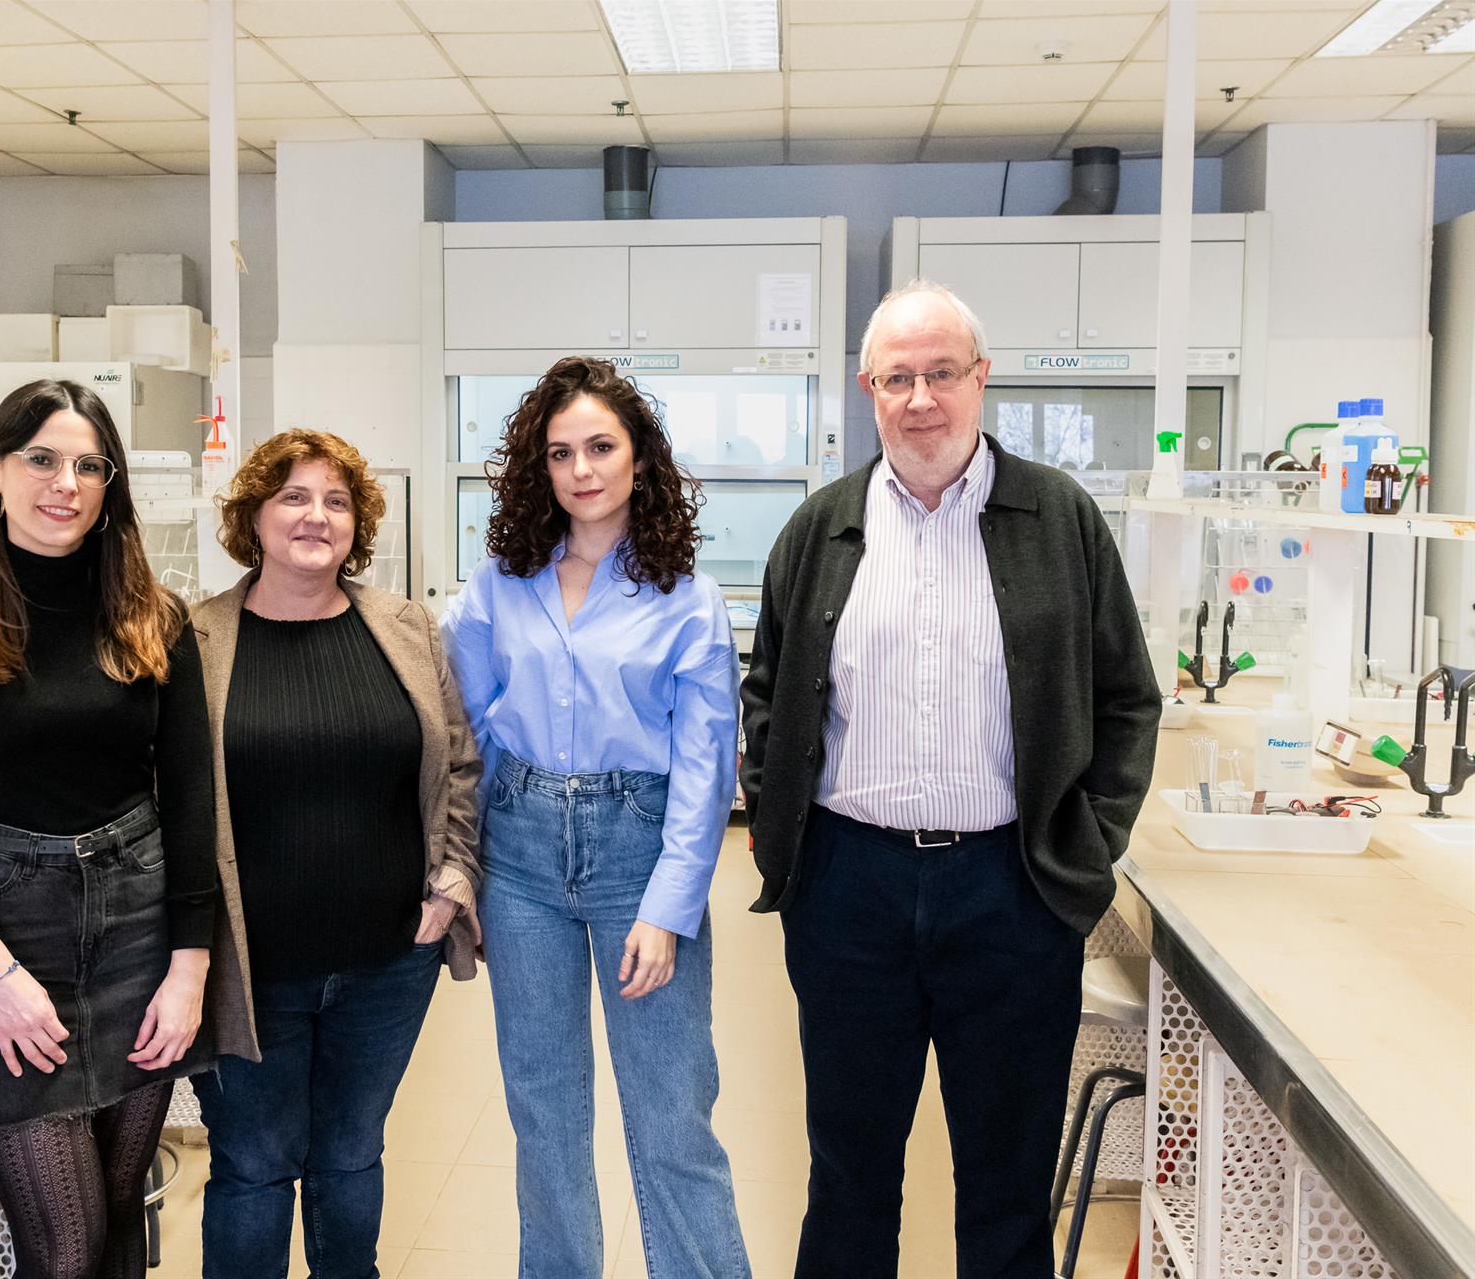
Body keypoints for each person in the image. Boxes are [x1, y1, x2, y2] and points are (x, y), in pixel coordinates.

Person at [739, 279, 1162, 1279]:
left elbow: (1127, 697)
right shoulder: (820, 527)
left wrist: (1084, 844)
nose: (921, 397)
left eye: (941, 373)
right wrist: (785, 837)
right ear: (868, 389)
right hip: (849, 894)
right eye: (898, 378)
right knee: (849, 1175)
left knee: (1007, 1183)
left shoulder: (1059, 518)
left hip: (1011, 890)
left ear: (981, 378)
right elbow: (766, 693)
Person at [0, 379, 229, 1279]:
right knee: (64, 1249)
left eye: (89, 466)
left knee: (118, 1219)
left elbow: (191, 803)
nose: (65, 484)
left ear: (110, 486)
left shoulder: (156, 625)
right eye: (41, 459)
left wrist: (189, 967)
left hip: (140, 931)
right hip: (14, 938)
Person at [442, 355, 750, 1279]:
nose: (581, 469)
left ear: (640, 458)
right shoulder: (499, 585)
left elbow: (706, 769)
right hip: (522, 856)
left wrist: (669, 907)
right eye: (560, 452)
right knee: (544, 1114)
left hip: (637, 854)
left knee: (671, 1114)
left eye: (601, 448)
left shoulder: (688, 597)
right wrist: (469, 869)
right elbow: (468, 732)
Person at [187, 428, 483, 1279]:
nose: (316, 516)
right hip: (248, 967)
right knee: (254, 1164)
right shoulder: (195, 640)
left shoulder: (405, 627)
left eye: (337, 501)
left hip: (389, 962)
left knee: (352, 1155)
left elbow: (460, 766)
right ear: (253, 517)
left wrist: (451, 883)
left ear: (358, 525)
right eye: (293, 497)